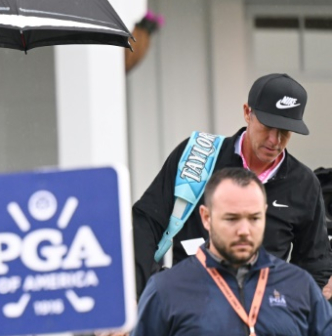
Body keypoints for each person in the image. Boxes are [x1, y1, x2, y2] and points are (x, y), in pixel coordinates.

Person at [132, 73, 332, 298]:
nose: (274, 140)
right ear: (247, 112)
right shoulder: (197, 158)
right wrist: (142, 295)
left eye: (285, 132)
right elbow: (146, 224)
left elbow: (315, 264)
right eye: (268, 126)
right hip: (188, 308)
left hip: (260, 319)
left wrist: (284, 310)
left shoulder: (303, 183)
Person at [131, 167, 332, 335]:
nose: (244, 231)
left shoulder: (300, 286)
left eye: (254, 218)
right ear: (206, 217)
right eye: (231, 219)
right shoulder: (165, 290)